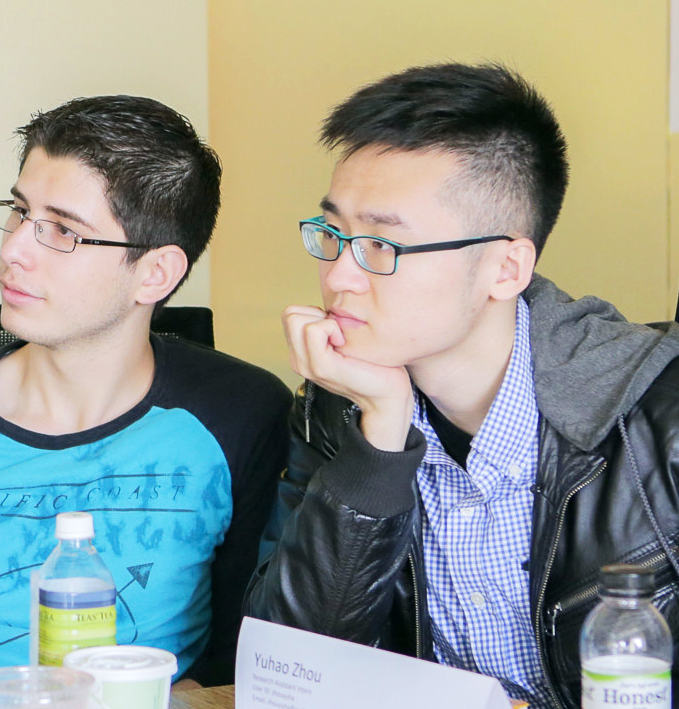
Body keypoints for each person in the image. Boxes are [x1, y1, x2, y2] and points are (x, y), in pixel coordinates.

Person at [244, 63, 679, 709]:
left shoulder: (657, 419)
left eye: (382, 246)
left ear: (506, 267)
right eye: (333, 233)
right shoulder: (343, 404)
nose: (338, 276)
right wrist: (378, 444)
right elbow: (285, 677)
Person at [0, 95, 291, 707]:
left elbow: (254, 648)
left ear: (155, 274)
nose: (14, 250)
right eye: (18, 211)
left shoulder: (242, 413)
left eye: (63, 230)